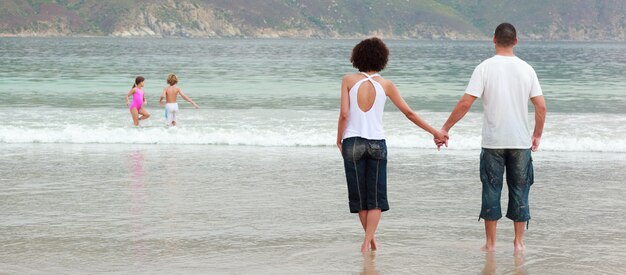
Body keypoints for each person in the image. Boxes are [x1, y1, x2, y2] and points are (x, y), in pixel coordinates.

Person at [437, 23, 547, 253]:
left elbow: (466, 102)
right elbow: (541, 106)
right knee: (520, 189)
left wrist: (446, 127)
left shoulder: (484, 68)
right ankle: (518, 243)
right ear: (516, 41)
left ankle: (490, 243)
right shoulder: (527, 69)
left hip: (493, 142)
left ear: (493, 39)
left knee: (491, 190)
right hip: (520, 142)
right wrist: (536, 134)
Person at [337, 37, 447, 253]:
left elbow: (344, 114)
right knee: (376, 197)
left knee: (360, 197)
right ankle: (368, 241)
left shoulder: (348, 80)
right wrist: (435, 132)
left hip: (352, 142)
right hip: (377, 143)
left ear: (356, 57)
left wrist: (338, 138)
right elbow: (409, 113)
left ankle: (369, 240)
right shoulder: (386, 84)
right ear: (382, 59)